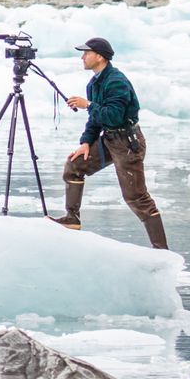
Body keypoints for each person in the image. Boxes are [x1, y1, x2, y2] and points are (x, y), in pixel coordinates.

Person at [50, 37, 168, 249]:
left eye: (86, 53)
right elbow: (97, 119)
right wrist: (86, 142)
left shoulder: (116, 82)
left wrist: (88, 105)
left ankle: (161, 249)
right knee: (74, 167)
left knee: (136, 198)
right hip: (109, 139)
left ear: (100, 57)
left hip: (127, 142)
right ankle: (72, 219)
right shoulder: (94, 82)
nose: (82, 57)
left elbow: (113, 116)